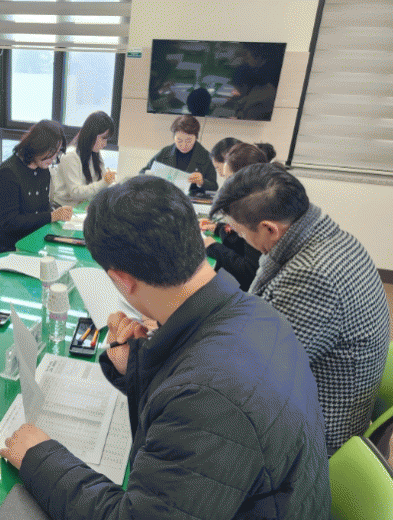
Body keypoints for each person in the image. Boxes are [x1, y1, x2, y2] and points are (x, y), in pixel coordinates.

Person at [0, 176, 330, 519]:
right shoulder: (256, 311)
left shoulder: (208, 399)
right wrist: (137, 364)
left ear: (121, 280)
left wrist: (40, 457)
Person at [210, 163, 390, 454]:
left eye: (241, 234)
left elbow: (253, 373)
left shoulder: (311, 275)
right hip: (323, 399)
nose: (243, 240)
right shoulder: (323, 236)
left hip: (314, 437)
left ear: (269, 229)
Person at [0, 120, 73, 253]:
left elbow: (43, 208)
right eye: (51, 151)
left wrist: (56, 215)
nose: (53, 158)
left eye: (57, 152)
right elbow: (11, 223)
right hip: (13, 246)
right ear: (37, 146)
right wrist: (51, 216)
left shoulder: (43, 170)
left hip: (37, 238)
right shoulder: (8, 173)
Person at [202, 142, 272, 290]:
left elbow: (249, 272)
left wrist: (213, 247)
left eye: (229, 179)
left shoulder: (257, 212)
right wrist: (219, 228)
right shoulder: (253, 199)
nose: (226, 185)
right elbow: (239, 240)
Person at [51, 111, 116, 207]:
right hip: (64, 208)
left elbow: (102, 181)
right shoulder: (70, 156)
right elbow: (75, 193)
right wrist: (104, 182)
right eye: (103, 138)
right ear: (92, 134)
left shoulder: (95, 153)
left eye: (107, 139)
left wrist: (109, 183)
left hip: (83, 205)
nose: (105, 144)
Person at [139, 115, 218, 194]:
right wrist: (151, 176)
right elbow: (142, 173)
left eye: (189, 141)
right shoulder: (165, 152)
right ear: (174, 137)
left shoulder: (205, 156)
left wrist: (201, 182)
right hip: (166, 196)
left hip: (192, 199)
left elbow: (214, 186)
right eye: (179, 140)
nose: (184, 145)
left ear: (196, 137)